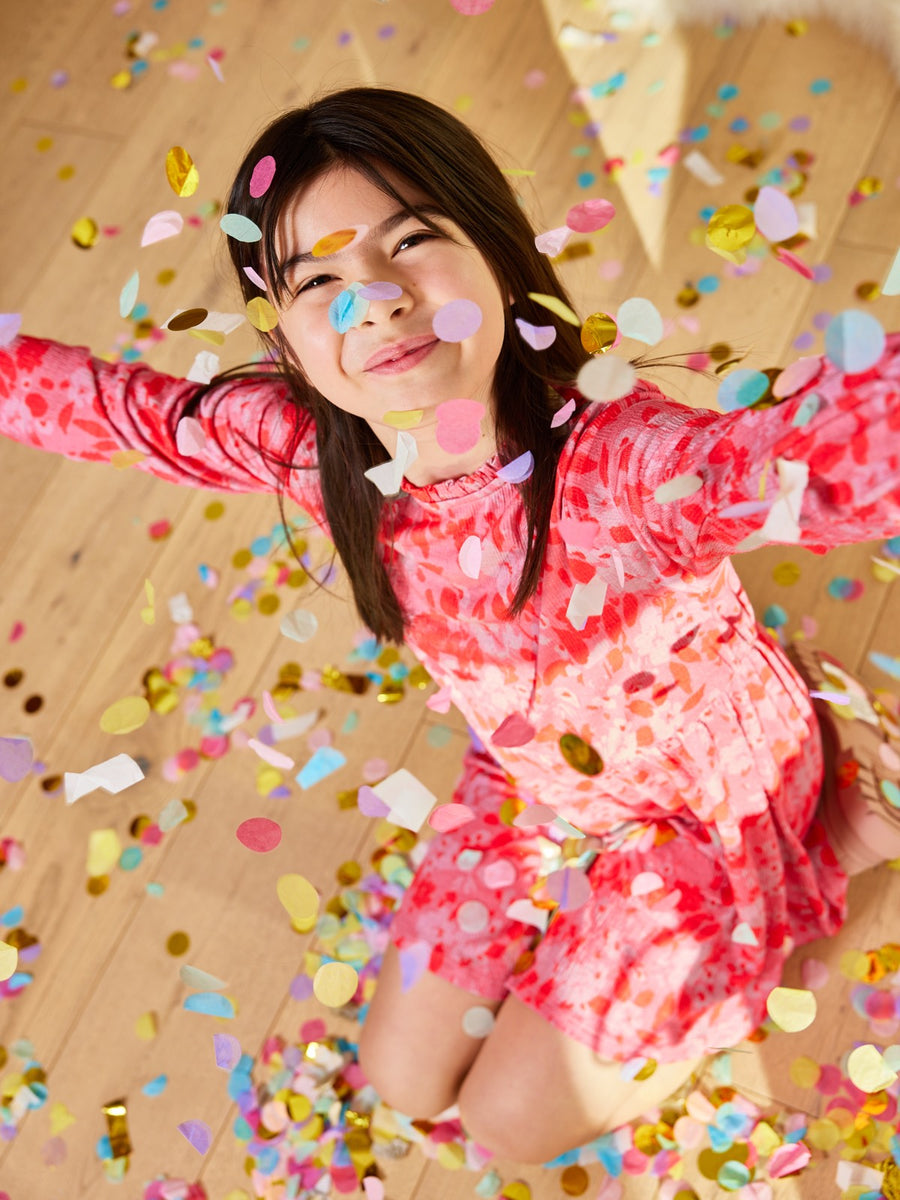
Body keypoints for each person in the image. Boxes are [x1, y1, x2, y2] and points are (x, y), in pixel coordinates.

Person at [2, 85, 900, 1166]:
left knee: (503, 1129)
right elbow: (115, 409)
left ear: (497, 248)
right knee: (400, 1076)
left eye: (411, 240)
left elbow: (812, 456)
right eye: (316, 281)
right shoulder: (305, 441)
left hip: (700, 814)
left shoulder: (628, 465)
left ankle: (840, 844)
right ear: (284, 336)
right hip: (529, 780)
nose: (371, 301)